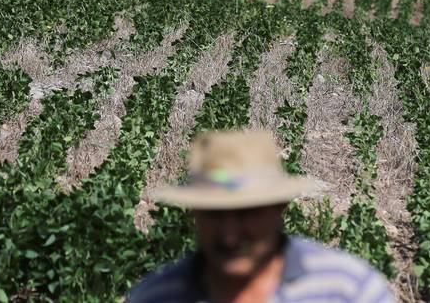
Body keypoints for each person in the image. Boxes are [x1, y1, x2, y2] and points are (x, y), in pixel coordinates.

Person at [127, 129, 396, 303]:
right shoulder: (156, 297)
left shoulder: (348, 289)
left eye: (247, 213)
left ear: (280, 207)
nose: (229, 235)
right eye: (214, 214)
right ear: (194, 213)